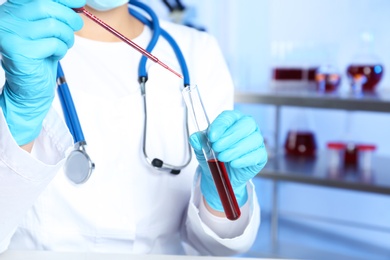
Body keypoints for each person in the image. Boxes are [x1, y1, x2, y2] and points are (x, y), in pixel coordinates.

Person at [0, 0, 267, 256]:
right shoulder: (13, 37)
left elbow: (217, 247)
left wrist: (221, 196)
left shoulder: (197, 52)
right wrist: (18, 117)